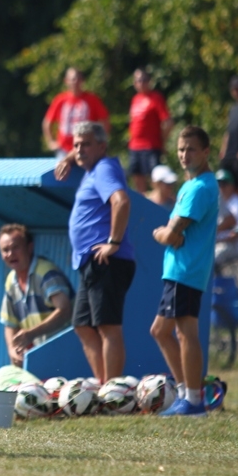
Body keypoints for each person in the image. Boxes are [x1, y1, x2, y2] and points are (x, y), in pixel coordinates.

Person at [55, 122, 135, 383]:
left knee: (107, 326)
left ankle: (113, 390)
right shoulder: (91, 167)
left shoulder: (104, 168)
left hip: (107, 260)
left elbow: (121, 201)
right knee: (82, 325)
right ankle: (103, 386)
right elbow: (80, 153)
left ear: (102, 146)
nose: (79, 150)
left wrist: (114, 241)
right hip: (90, 262)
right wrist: (69, 158)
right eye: (76, 145)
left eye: (86, 144)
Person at [149, 126, 219, 417]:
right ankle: (185, 395)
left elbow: (172, 233)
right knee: (160, 331)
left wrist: (160, 233)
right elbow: (173, 234)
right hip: (178, 270)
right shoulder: (190, 185)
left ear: (206, 152)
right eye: (180, 149)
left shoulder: (201, 187)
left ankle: (193, 400)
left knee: (185, 332)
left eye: (191, 149)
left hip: (187, 270)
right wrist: (167, 234)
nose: (184, 154)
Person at [0, 224, 73, 368]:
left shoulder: (45, 272)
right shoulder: (11, 281)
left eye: (15, 247)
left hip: (65, 354)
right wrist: (12, 349)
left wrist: (32, 333)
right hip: (38, 358)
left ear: (29, 247)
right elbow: (9, 323)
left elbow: (65, 310)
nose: (10, 254)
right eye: (5, 250)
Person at [42, 68, 109, 159]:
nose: (75, 82)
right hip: (64, 149)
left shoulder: (92, 99)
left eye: (78, 79)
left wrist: (100, 141)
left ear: (82, 81)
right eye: (73, 79)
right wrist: (51, 142)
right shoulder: (60, 100)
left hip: (87, 148)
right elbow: (47, 123)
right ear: (66, 81)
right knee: (63, 167)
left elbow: (105, 121)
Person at [127, 69, 172, 193]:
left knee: (156, 180)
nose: (141, 83)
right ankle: (140, 203)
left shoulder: (156, 98)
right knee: (137, 180)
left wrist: (163, 141)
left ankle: (156, 202)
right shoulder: (135, 99)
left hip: (151, 146)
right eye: (138, 80)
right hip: (135, 147)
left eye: (144, 80)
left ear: (150, 82)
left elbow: (168, 122)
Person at [215, 168, 238, 267]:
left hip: (235, 246)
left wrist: (216, 241)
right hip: (224, 244)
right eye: (219, 184)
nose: (221, 187)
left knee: (213, 257)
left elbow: (237, 234)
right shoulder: (221, 202)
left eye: (224, 184)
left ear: (232, 185)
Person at [219, 75, 238, 193]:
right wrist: (223, 149)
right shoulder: (233, 109)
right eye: (234, 89)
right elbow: (229, 130)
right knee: (230, 186)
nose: (237, 92)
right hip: (230, 153)